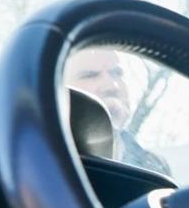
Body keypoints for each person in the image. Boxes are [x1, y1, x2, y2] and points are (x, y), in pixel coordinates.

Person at [64, 48, 172, 176]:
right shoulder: (47, 161)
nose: (112, 86)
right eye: (90, 75)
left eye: (117, 73)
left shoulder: (154, 165)